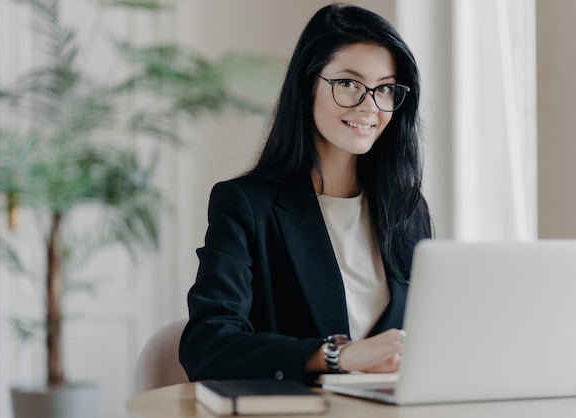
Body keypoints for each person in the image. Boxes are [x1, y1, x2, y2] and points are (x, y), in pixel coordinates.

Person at [179, 2, 433, 383]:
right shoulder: (246, 205)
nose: (369, 106)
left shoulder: (409, 210)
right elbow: (207, 345)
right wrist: (336, 356)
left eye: (384, 89)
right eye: (348, 83)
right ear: (307, 84)